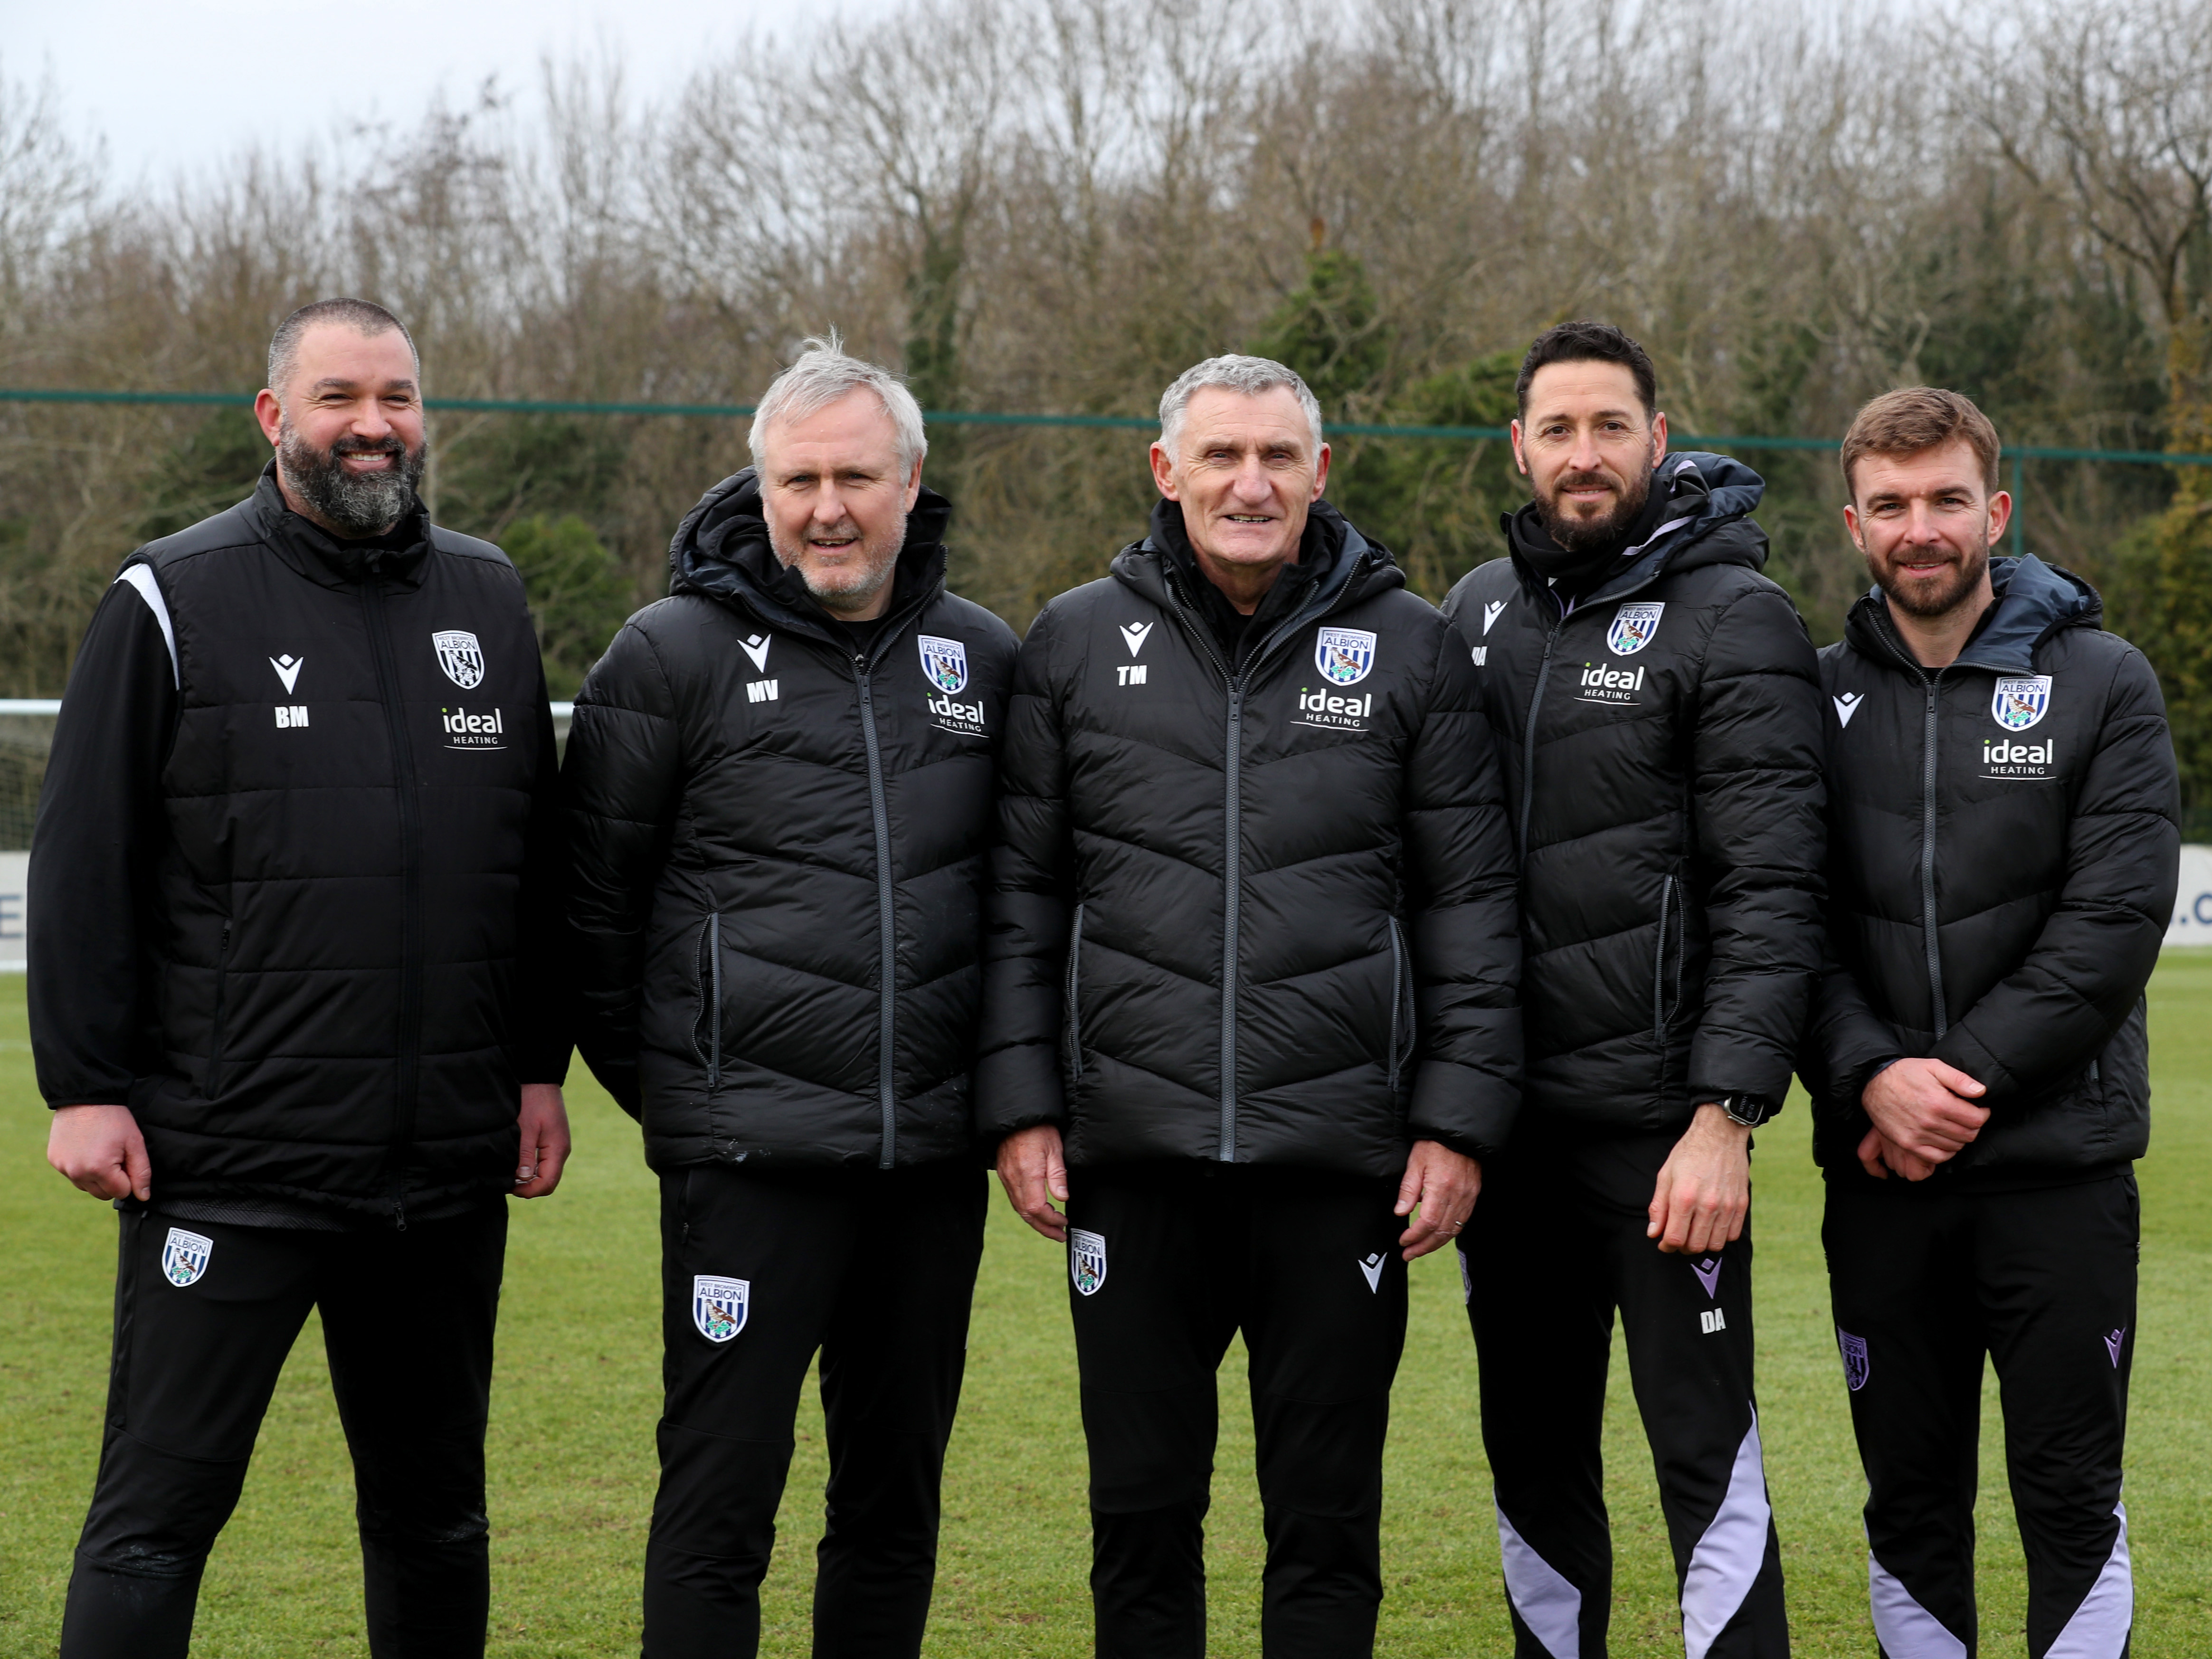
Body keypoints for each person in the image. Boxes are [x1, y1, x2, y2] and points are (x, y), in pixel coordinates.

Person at [31, 297, 571, 1659]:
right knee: (157, 1519)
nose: (373, 425)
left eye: (396, 397)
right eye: (339, 397)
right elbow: (84, 856)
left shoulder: (486, 595)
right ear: (276, 419)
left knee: (435, 1519)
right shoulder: (172, 595)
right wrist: (86, 1086)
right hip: (231, 1161)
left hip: (440, 1175)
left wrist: (531, 1067)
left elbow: (532, 859)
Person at [979, 353, 1522, 1659]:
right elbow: (1021, 900)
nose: (1250, 481)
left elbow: (1471, 908)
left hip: (1339, 1171)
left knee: (1326, 1527)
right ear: (1164, 473)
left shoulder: (1412, 649)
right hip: (1135, 1167)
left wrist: (1453, 1122)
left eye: (1277, 456)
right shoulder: (1066, 642)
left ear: (1319, 474)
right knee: (1141, 1520)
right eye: (1220, 455)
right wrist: (1019, 1107)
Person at [561, 336, 1017, 1659]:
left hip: (928, 1165)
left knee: (892, 1507)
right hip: (747, 1166)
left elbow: (1019, 900)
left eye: (855, 477)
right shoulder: (666, 656)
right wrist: (697, 1091)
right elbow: (592, 917)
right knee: (718, 1508)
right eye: (797, 478)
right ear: (758, 487)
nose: (827, 507)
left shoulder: (982, 659)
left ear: (911, 479)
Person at [1439, 320, 1825, 1659]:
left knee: (1702, 1469)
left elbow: (1776, 890)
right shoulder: (1476, 609)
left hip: (1664, 1139)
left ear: (1657, 442)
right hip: (1509, 1131)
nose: (1583, 454)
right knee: (1532, 1463)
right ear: (1520, 446)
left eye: (1611, 427)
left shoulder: (1736, 615)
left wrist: (1724, 1112)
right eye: (1558, 429)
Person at [1802, 387, 2178, 1659]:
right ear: (1854, 522)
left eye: (1946, 500)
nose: (1921, 529)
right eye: (1892, 505)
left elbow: (2115, 921)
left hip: (2055, 1175)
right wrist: (1867, 1079)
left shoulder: (2102, 681)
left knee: (2067, 1499)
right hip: (1877, 1181)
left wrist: (1942, 1082)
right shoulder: (1806, 698)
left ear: (1995, 510)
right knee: (1909, 1507)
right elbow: (1784, 926)